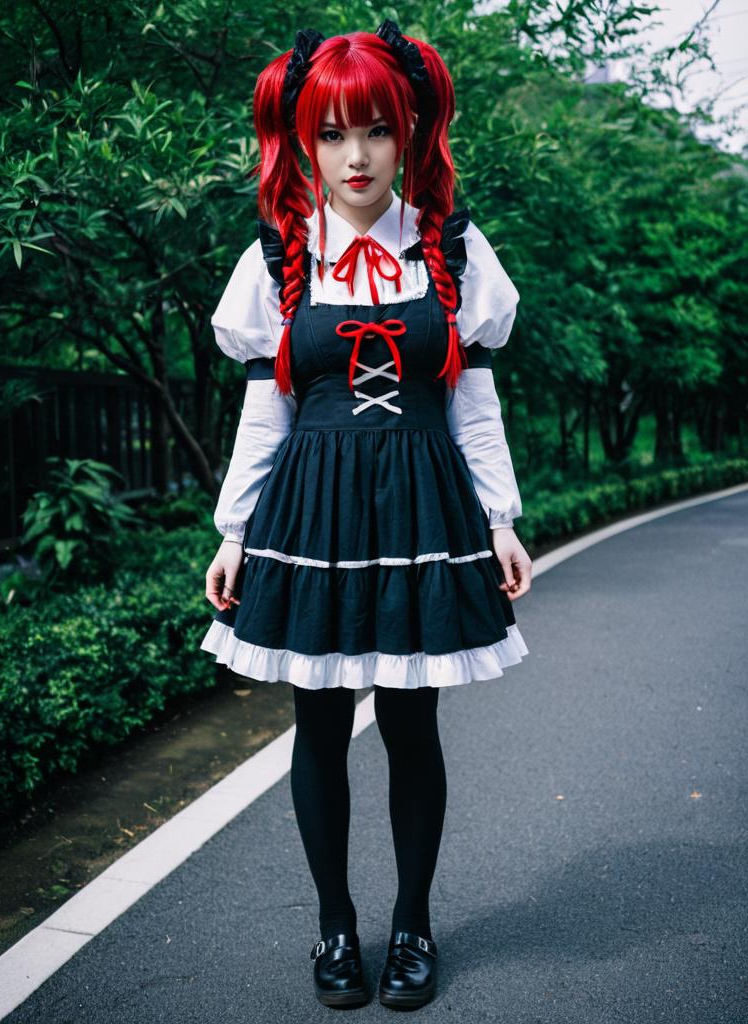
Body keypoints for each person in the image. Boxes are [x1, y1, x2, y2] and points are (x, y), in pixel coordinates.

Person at [201, 20, 533, 1010]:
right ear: (305, 139)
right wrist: (231, 529)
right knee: (316, 720)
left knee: (410, 720)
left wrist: (503, 519)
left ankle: (415, 925)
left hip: (422, 502)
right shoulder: (277, 256)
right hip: (313, 505)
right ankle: (337, 926)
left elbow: (474, 400)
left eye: (376, 131)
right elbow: (269, 402)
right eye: (335, 132)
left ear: (409, 134)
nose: (356, 156)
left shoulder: (455, 251)